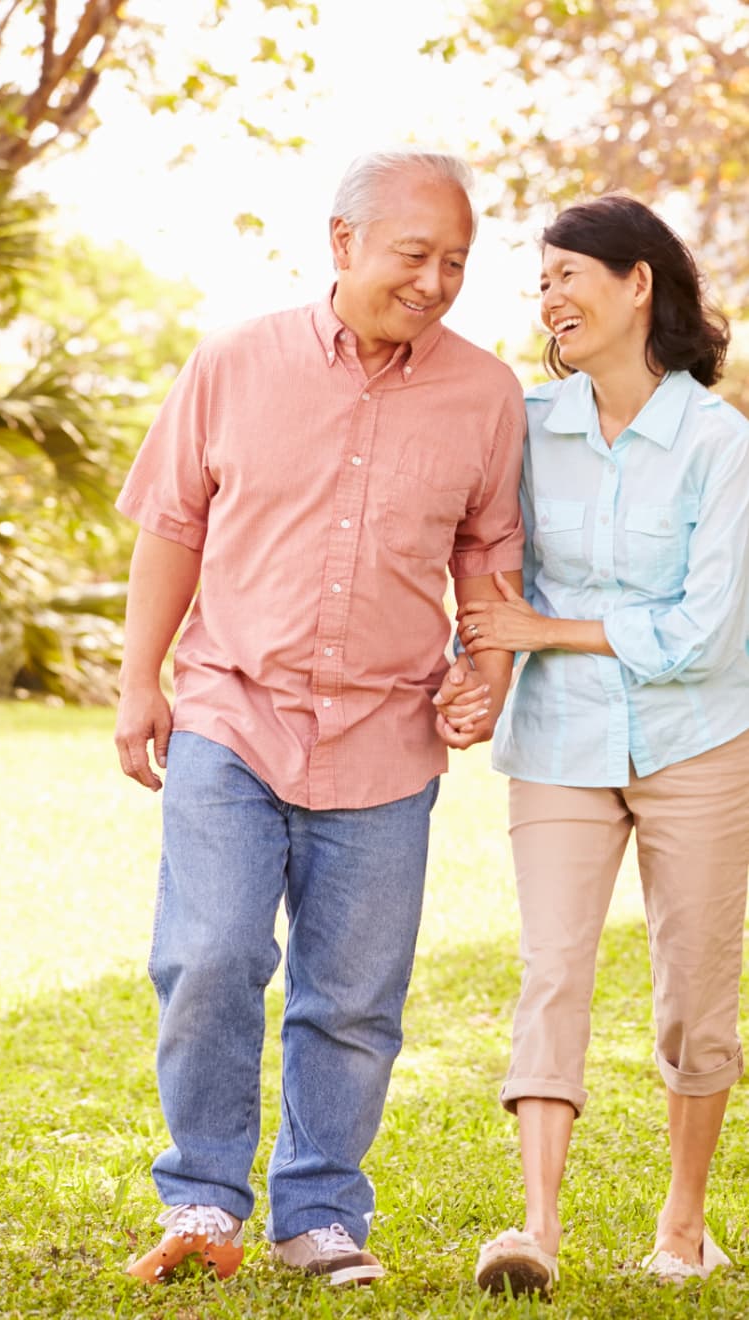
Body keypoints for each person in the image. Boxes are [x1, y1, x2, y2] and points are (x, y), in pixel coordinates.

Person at [113, 148, 526, 1287]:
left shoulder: (487, 395)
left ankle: (318, 1216)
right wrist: (138, 678)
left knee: (353, 999)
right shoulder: (233, 362)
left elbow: (486, 556)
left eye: (455, 261)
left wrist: (479, 668)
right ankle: (201, 1203)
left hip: (389, 739)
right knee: (209, 955)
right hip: (231, 713)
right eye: (414, 255)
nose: (436, 280)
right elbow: (172, 524)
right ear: (343, 245)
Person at [438, 193, 749, 1296]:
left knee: (695, 990)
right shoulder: (527, 425)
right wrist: (479, 668)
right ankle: (535, 1231)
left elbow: (706, 633)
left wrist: (548, 631)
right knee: (553, 968)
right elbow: (489, 559)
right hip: (560, 739)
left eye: (569, 274)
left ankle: (682, 1221)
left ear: (638, 284)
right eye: (543, 280)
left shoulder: (720, 445)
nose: (549, 296)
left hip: (698, 741)